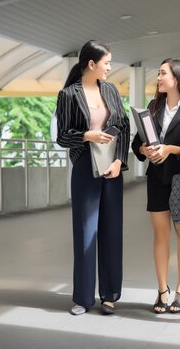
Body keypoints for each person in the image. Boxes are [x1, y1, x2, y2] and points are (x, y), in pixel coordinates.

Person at [55, 40, 129, 316]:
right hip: (85, 166)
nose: (109, 67)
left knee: (112, 231)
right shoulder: (69, 95)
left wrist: (119, 161)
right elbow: (62, 136)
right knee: (86, 233)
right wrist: (88, 135)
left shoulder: (111, 90)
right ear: (91, 64)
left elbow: (123, 126)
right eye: (106, 63)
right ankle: (83, 298)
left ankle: (109, 296)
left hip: (112, 167)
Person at [131, 58, 180, 314]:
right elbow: (136, 143)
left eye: (163, 73)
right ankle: (162, 290)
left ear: (177, 78)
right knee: (160, 235)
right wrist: (143, 149)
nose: (158, 78)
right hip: (157, 177)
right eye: (158, 73)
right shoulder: (153, 107)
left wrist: (170, 149)